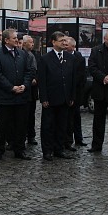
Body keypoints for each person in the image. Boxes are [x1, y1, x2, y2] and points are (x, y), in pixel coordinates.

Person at [0, 29, 33, 161]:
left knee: (21, 125)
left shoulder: (22, 53)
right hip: (6, 97)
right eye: (14, 38)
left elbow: (28, 71)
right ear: (6, 40)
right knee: (3, 125)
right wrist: (11, 88)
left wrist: (24, 85)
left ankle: (19, 150)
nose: (17, 40)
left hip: (21, 97)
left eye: (17, 38)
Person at [38, 32, 76, 161]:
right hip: (50, 98)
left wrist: (71, 96)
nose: (64, 43)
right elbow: (42, 80)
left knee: (62, 126)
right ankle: (47, 151)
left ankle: (59, 149)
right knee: (48, 126)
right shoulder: (45, 59)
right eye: (61, 40)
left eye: (65, 40)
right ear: (53, 42)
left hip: (65, 98)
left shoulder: (70, 58)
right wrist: (43, 98)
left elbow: (72, 79)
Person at [65, 36, 88, 148]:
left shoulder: (79, 57)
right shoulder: (63, 56)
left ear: (72, 46)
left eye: (66, 44)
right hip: (65, 92)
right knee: (67, 119)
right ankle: (68, 140)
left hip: (76, 92)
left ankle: (79, 139)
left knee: (76, 117)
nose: (64, 45)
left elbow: (81, 76)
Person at [22, 35, 39, 146]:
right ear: (24, 43)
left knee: (31, 115)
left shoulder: (35, 55)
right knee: (23, 116)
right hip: (24, 90)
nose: (32, 44)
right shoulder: (20, 55)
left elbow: (38, 70)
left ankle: (31, 136)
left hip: (32, 91)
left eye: (33, 42)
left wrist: (36, 79)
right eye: (30, 42)